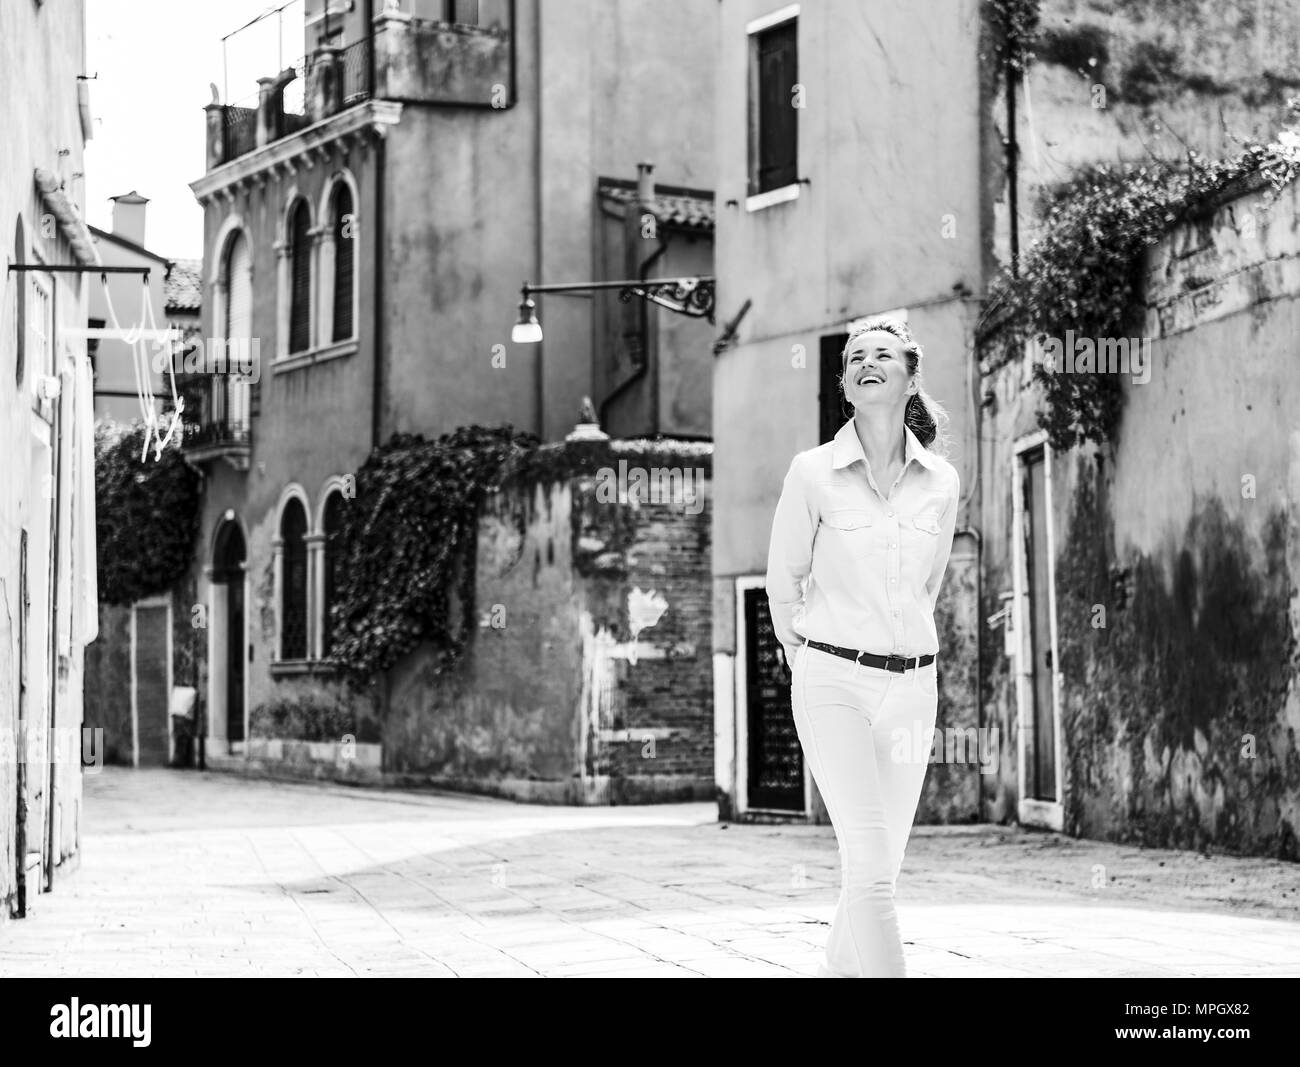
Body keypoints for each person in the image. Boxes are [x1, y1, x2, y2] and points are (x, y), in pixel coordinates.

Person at [765, 316, 959, 978]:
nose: (865, 363)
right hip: (833, 683)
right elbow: (782, 579)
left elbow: (927, 584)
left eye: (882, 354)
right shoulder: (812, 472)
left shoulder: (940, 481)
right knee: (872, 872)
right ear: (846, 384)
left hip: (914, 690)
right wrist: (808, 663)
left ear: (909, 376)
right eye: (853, 358)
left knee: (878, 870)